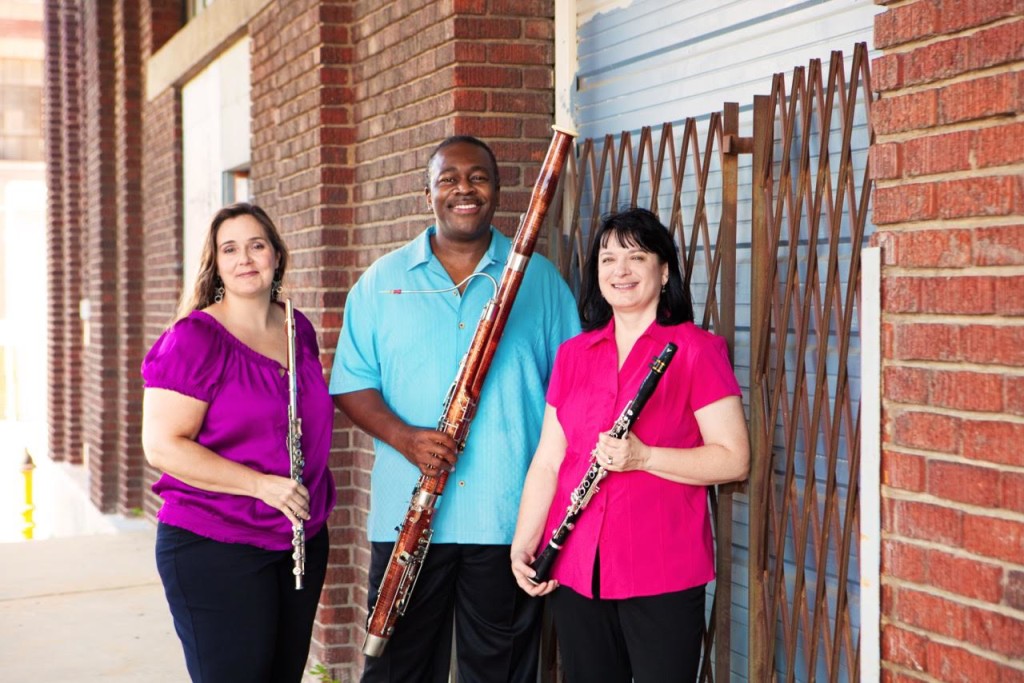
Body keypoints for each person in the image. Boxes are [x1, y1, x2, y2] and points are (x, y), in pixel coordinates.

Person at [330, 135, 580, 683]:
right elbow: (350, 385)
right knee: (397, 672)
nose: (463, 189)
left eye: (478, 177)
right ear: (428, 194)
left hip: (508, 521)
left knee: (502, 672)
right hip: (408, 519)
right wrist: (405, 438)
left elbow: (574, 395)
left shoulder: (540, 283)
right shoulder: (381, 283)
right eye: (448, 179)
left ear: (499, 190)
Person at [510, 207, 750, 682]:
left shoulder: (694, 350)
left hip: (660, 567)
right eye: (607, 259)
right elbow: (549, 459)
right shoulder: (573, 355)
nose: (619, 270)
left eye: (636, 257)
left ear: (663, 271)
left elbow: (734, 459)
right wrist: (525, 542)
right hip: (575, 567)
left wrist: (644, 457)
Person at [141, 202, 337, 683]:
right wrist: (260, 485)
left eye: (256, 245)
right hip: (214, 543)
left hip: (298, 541)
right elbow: (163, 445)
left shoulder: (297, 328)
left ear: (275, 255)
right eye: (230, 248)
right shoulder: (193, 339)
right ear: (216, 262)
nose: (245, 258)